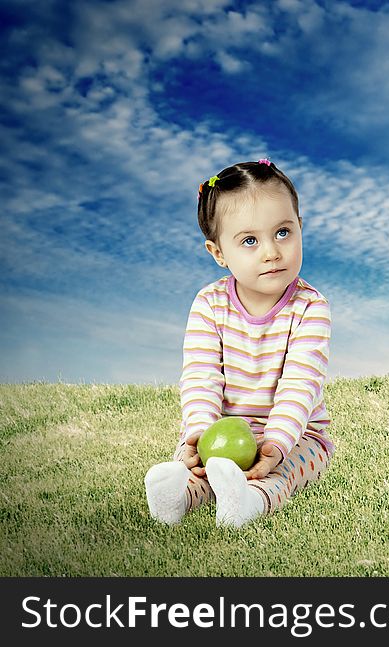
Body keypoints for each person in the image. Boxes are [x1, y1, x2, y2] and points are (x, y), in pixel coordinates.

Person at [144, 159, 334, 528]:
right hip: (221, 429)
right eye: (250, 240)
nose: (271, 251)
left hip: (296, 434)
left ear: (300, 228)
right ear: (218, 253)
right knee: (197, 469)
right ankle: (176, 497)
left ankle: (248, 502)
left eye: (283, 232)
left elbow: (300, 384)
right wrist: (199, 432)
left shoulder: (311, 307)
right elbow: (201, 376)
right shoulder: (209, 304)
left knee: (282, 473)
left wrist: (275, 444)